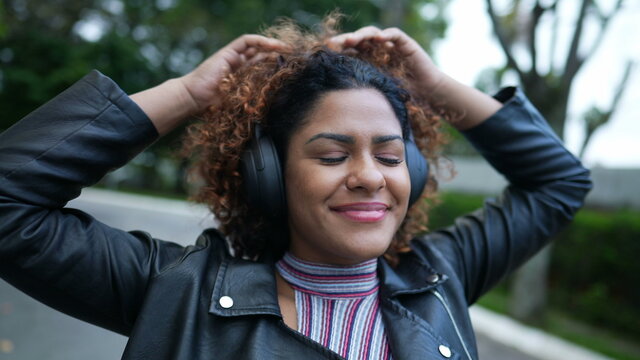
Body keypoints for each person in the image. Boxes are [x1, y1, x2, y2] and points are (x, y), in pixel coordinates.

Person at [0, 17, 591, 360]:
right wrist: (186, 94)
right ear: (266, 172)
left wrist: (434, 85)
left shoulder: (441, 279)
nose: (369, 176)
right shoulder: (176, 292)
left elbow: (559, 182)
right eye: (333, 155)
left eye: (389, 154)